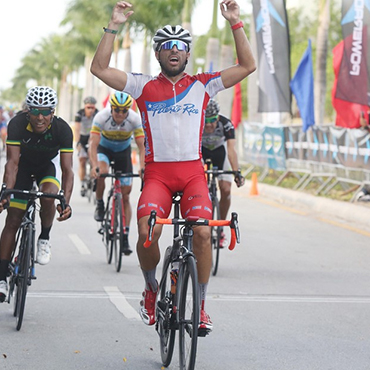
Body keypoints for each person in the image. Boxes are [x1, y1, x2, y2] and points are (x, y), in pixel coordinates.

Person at [90, 0, 256, 331]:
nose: (174, 51)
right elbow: (100, 69)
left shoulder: (203, 84)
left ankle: (202, 306)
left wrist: (235, 22)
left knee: (203, 233)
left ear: (188, 53)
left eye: (180, 46)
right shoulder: (142, 86)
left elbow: (248, 65)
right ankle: (152, 290)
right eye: (167, 46)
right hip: (159, 176)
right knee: (147, 232)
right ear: (158, 54)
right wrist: (114, 25)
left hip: (193, 173)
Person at [0, 86, 73, 302]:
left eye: (45, 111)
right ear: (27, 111)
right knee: (12, 220)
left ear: (53, 112)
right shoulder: (17, 124)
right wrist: (6, 193)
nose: (40, 117)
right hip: (22, 168)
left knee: (49, 195)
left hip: (47, 168)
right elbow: (12, 164)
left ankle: (44, 238)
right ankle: (2, 277)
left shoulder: (62, 129)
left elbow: (68, 170)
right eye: (35, 111)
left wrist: (65, 200)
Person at [89, 91, 144, 255]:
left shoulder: (134, 119)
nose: (120, 114)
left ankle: (125, 235)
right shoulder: (101, 117)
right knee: (102, 172)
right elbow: (93, 145)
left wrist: (142, 167)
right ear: (111, 108)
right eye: (117, 110)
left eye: (124, 111)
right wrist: (94, 166)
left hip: (123, 152)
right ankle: (99, 203)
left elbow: (142, 146)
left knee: (126, 196)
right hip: (104, 150)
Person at [202, 99, 245, 247]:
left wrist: (236, 172)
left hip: (220, 153)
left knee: (226, 190)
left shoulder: (226, 124)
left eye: (212, 120)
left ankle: (220, 227)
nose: (208, 124)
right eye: (206, 120)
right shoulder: (196, 123)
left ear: (218, 117)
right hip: (201, 153)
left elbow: (231, 150)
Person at [74, 96, 99, 196]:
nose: (90, 110)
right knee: (82, 159)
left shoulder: (98, 113)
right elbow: (76, 129)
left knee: (94, 159)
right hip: (83, 138)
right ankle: (83, 183)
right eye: (88, 107)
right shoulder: (79, 114)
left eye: (92, 108)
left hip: (93, 137)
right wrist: (78, 143)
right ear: (84, 107)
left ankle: (93, 178)